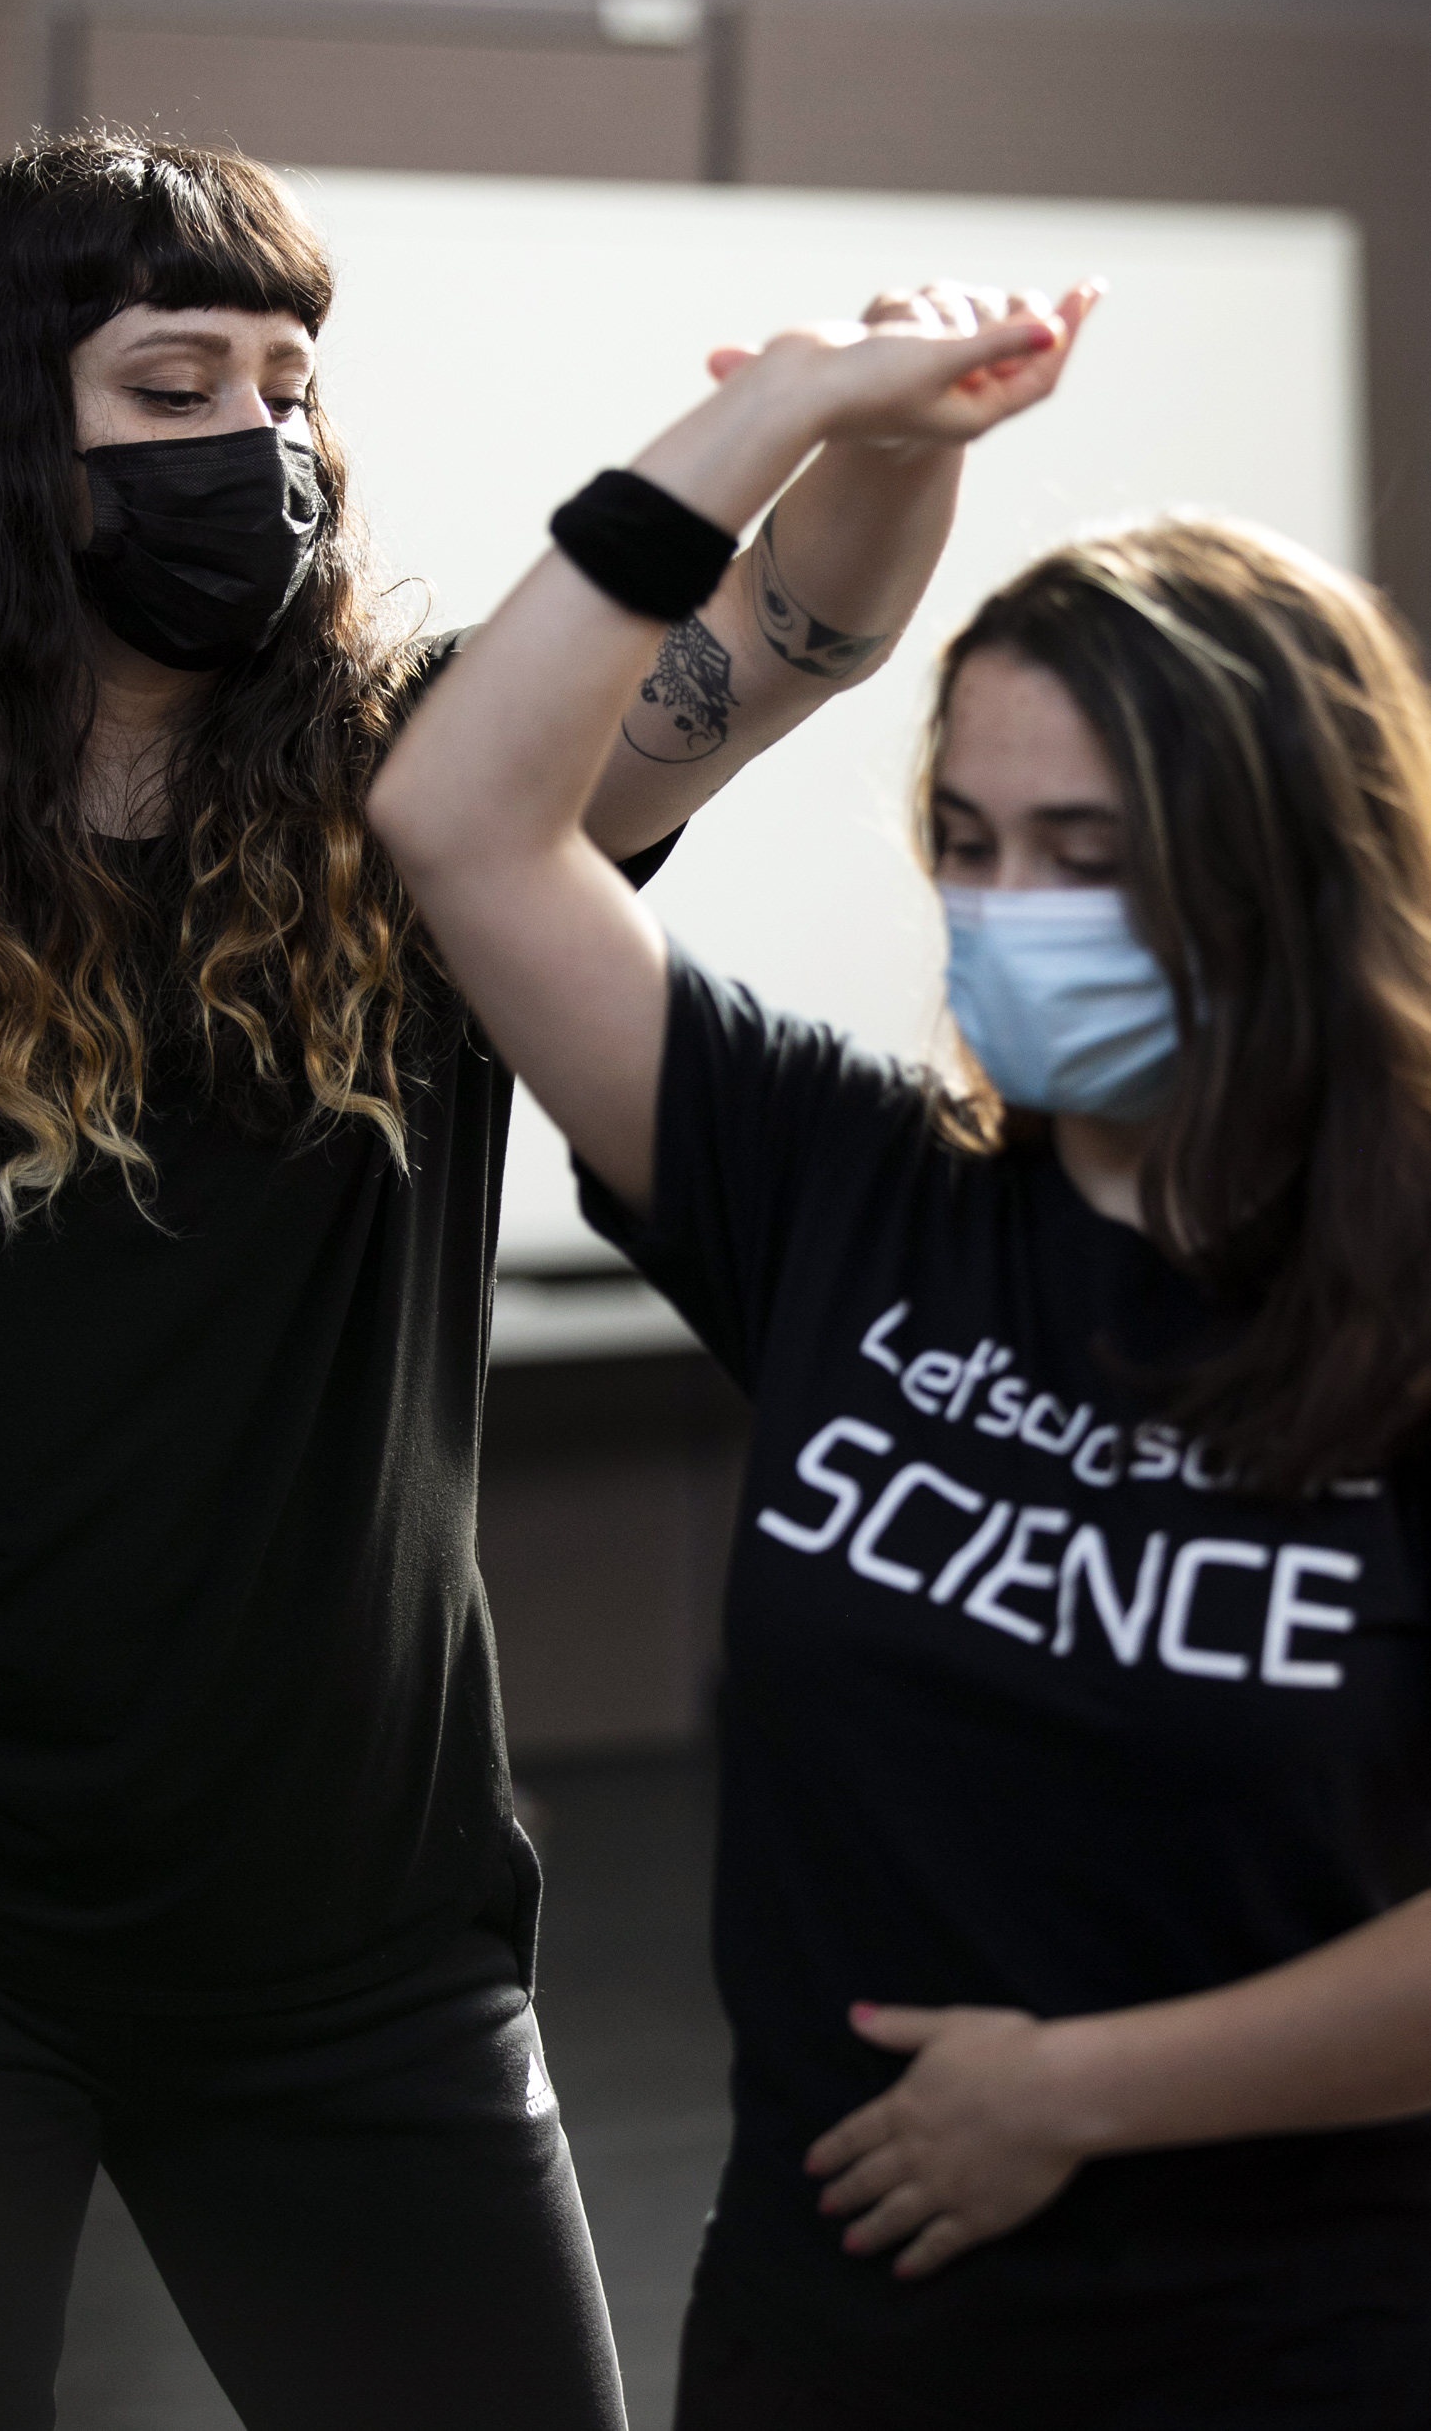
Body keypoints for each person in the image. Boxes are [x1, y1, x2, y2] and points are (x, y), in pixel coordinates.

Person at [0, 130, 1077, 2431]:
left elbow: (785, 635)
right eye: (174, 382)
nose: (252, 439)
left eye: (287, 383)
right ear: (6, 435)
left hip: (343, 1942)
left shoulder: (422, 793)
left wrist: (877, 430)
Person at [367, 320, 1431, 2428]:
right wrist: (780, 422)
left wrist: (1076, 2096)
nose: (1002, 909)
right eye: (966, 837)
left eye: (1088, 849)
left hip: (1291, 2342)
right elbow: (460, 814)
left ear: (1286, 865)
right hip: (828, 2335)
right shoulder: (850, 1188)